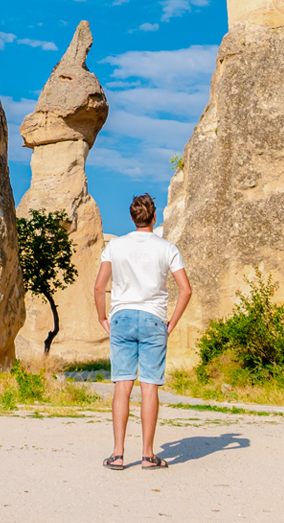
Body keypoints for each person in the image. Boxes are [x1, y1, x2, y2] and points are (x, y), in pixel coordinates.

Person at [94, 193, 191, 470]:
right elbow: (186, 289)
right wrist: (170, 323)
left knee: (122, 386)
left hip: (122, 318)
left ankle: (118, 454)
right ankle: (148, 455)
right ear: (154, 216)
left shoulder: (116, 246)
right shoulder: (167, 248)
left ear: (132, 216)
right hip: (154, 320)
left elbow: (100, 286)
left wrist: (102, 317)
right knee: (149, 387)